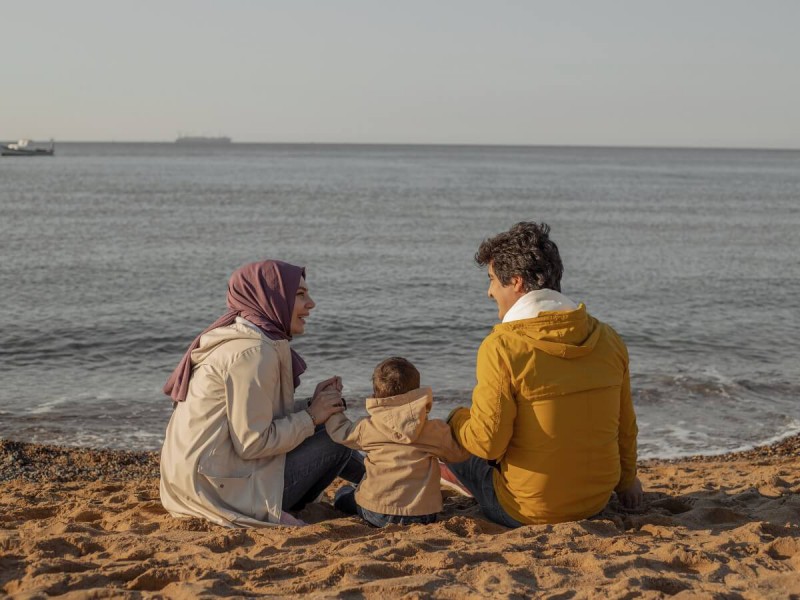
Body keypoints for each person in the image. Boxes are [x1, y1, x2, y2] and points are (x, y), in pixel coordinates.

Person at [444, 222, 643, 527]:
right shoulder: (608, 338)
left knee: (456, 430)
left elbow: (487, 444)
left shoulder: (502, 346)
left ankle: (454, 475)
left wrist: (457, 419)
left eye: (493, 281)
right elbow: (625, 425)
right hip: (596, 501)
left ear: (518, 283)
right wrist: (628, 481)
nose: (489, 292)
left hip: (527, 509)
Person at [159, 260, 363, 527]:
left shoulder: (246, 340)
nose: (311, 303)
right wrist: (312, 416)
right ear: (272, 299)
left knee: (329, 425)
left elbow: (254, 418)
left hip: (197, 482)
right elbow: (253, 443)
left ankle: (390, 476)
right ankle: (394, 481)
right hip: (220, 494)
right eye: (300, 295)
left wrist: (314, 406)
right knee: (336, 438)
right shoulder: (253, 353)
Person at [327, 357, 470, 527]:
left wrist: (333, 401)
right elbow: (458, 453)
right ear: (418, 393)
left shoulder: (368, 427)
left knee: (343, 494)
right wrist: (461, 420)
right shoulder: (432, 430)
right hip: (423, 515)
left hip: (377, 513)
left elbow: (340, 432)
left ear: (375, 394)